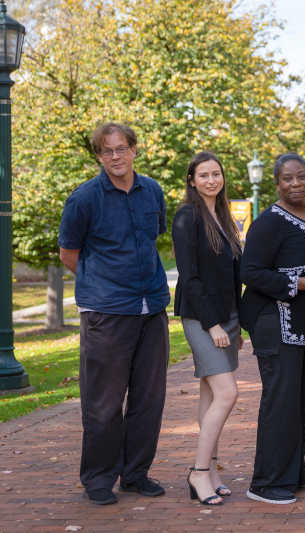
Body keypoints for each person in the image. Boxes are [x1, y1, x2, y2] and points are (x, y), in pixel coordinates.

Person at [58, 122, 170, 505]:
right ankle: (99, 479)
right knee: (104, 403)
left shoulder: (152, 190)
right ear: (98, 156)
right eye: (107, 151)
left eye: (122, 148)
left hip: (151, 307)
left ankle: (136, 474)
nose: (115, 157)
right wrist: (102, 285)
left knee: (148, 399)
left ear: (135, 150)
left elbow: (155, 236)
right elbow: (68, 254)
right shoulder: (84, 199)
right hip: (106, 313)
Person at [239, 153, 305, 505]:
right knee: (280, 402)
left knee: (301, 402)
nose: (295, 184)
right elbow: (250, 272)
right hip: (274, 324)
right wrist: (299, 284)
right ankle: (266, 482)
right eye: (287, 179)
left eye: (301, 177)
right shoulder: (269, 222)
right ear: (277, 183)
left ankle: (294, 470)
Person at [173, 152, 242, 506]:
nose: (212, 180)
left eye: (217, 174)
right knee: (228, 393)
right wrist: (213, 324)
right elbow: (190, 275)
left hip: (227, 316)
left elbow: (233, 275)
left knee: (210, 395)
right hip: (202, 318)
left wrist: (236, 324)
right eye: (204, 175)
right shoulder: (187, 216)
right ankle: (198, 472)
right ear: (192, 180)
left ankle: (212, 470)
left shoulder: (225, 217)